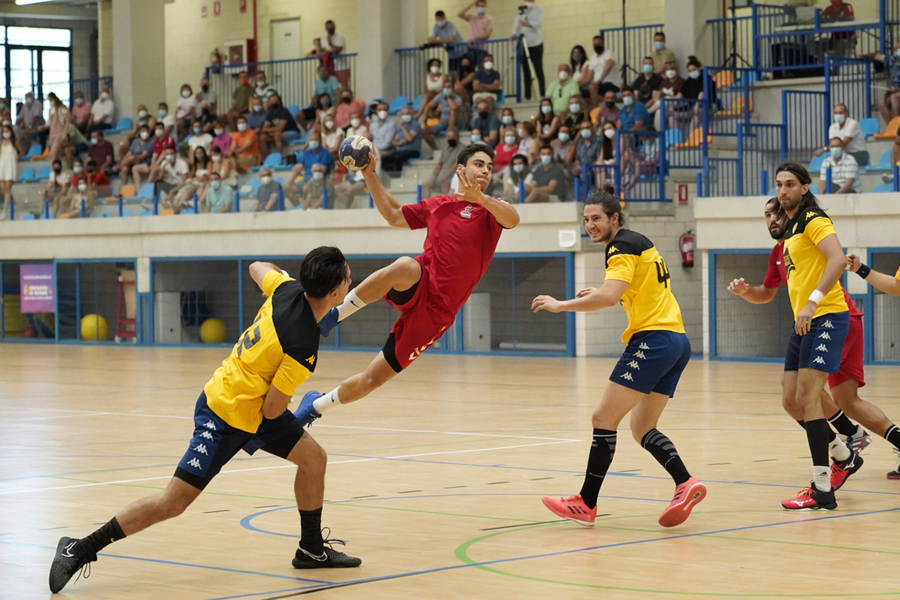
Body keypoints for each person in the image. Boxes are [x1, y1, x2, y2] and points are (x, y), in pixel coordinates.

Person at [47, 249, 361, 595]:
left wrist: (274, 277)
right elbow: (273, 411)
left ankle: (311, 550)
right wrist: (299, 412)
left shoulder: (284, 288)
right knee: (173, 503)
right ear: (334, 294)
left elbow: (258, 266)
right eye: (348, 277)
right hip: (225, 413)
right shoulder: (302, 346)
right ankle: (80, 547)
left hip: (253, 408)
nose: (351, 280)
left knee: (313, 459)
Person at [291, 142, 518, 432]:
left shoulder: (492, 212)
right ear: (461, 169)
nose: (485, 170)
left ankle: (314, 406)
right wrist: (369, 174)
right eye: (479, 164)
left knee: (372, 379)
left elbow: (513, 218)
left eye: (489, 166)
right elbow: (394, 215)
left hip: (437, 314)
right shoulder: (439, 205)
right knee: (405, 266)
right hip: (420, 281)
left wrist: (481, 198)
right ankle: (333, 316)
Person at [533, 190, 705, 528]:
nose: (590, 225)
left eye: (596, 218)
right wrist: (597, 291)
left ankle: (585, 503)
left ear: (615, 218)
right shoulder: (636, 242)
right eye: (585, 219)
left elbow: (610, 297)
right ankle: (685, 483)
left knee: (602, 417)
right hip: (676, 340)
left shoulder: (620, 246)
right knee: (641, 427)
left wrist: (561, 305)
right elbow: (629, 288)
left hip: (653, 340)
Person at [730, 198, 900, 483]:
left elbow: (836, 258)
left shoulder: (808, 234)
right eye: (767, 215)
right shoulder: (778, 253)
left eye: (777, 213)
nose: (772, 218)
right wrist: (746, 291)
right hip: (822, 323)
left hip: (833, 321)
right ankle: (854, 437)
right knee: (847, 400)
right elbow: (766, 293)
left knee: (800, 392)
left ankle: (846, 445)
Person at [773, 163, 858, 510]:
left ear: (805, 187)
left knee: (808, 398)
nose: (783, 191)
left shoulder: (813, 219)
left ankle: (822, 489)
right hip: (803, 322)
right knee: (790, 400)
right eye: (779, 185)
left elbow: (837, 260)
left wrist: (811, 302)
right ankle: (843, 453)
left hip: (824, 316)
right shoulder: (791, 228)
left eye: (790, 184)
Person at [510, 0, 545, 99]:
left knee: (538, 70)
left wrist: (527, 24)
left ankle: (542, 94)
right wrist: (513, 33)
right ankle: (527, 96)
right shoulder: (521, 10)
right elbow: (517, 23)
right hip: (524, 44)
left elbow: (539, 23)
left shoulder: (539, 9)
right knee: (526, 72)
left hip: (536, 43)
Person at [860, 40, 900, 124]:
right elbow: (876, 56)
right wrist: (865, 55)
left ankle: (897, 125)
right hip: (894, 92)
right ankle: (890, 126)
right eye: (897, 48)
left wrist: (897, 90)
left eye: (899, 48)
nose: (897, 50)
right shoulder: (894, 60)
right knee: (881, 102)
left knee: (894, 97)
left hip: (897, 92)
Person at [421, 79, 461, 151]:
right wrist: (425, 121)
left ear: (452, 88)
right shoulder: (440, 96)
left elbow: (454, 107)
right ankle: (436, 150)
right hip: (442, 123)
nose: (447, 89)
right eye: (445, 87)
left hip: (456, 124)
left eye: (449, 87)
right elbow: (427, 106)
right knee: (424, 131)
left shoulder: (457, 97)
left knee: (453, 111)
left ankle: (450, 132)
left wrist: (448, 98)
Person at [421, 128, 462, 194]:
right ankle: (426, 203)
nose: (451, 139)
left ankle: (445, 203)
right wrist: (433, 176)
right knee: (425, 183)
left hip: (453, 175)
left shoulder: (461, 148)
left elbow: (456, 164)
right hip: (441, 175)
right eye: (449, 137)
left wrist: (446, 176)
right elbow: (439, 164)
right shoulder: (445, 148)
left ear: (457, 137)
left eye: (453, 137)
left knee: (444, 182)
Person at [382, 106, 422, 173]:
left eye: (408, 113)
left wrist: (404, 127)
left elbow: (409, 138)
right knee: (383, 159)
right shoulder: (399, 127)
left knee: (399, 157)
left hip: (413, 151)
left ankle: (397, 175)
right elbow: (394, 141)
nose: (405, 115)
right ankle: (392, 173)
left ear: (412, 115)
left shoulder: (415, 124)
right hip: (401, 150)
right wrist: (399, 143)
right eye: (404, 114)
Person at [459, 0, 494, 68]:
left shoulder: (489, 19)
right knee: (469, 69)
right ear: (476, 6)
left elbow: (488, 34)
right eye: (479, 6)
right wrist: (472, 4)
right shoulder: (472, 17)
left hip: (481, 49)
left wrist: (475, 39)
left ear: (486, 6)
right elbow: (460, 14)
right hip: (470, 48)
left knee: (481, 68)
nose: (480, 8)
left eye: (482, 6)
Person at [587, 35, 621, 104]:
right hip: (599, 85)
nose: (597, 46)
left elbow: (609, 65)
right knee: (580, 93)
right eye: (595, 44)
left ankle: (594, 112)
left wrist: (599, 80)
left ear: (603, 43)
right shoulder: (593, 57)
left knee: (593, 87)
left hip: (611, 84)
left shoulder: (608, 54)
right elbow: (588, 76)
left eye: (599, 43)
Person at [0, 124, 22, 220]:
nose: (6, 133)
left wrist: (18, 156)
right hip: (2, 165)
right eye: (4, 131)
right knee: (3, 189)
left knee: (8, 188)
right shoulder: (1, 143)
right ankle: (12, 202)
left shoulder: (14, 142)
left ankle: (5, 210)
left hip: (11, 165)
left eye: (7, 131)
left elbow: (21, 151)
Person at [319, 21, 350, 88]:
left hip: (341, 66)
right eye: (329, 28)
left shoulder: (340, 36)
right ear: (326, 29)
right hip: (330, 65)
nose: (331, 29)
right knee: (332, 86)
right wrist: (330, 51)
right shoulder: (323, 37)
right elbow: (324, 50)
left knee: (344, 86)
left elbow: (338, 50)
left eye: (332, 27)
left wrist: (330, 43)